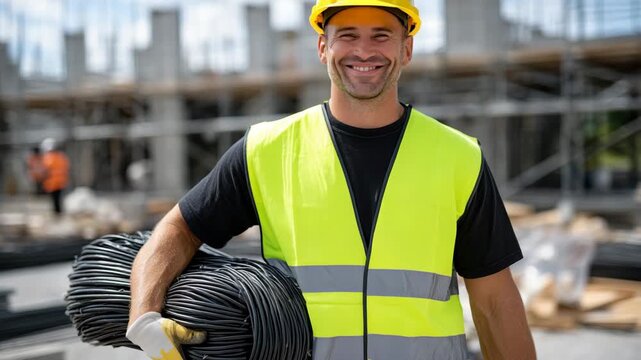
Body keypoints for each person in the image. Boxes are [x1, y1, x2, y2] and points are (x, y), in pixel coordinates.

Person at [126, 1, 536, 359]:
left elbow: (495, 302)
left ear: (406, 48)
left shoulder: (458, 156)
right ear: (323, 47)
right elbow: (178, 229)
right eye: (347, 35)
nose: (363, 50)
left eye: (381, 35)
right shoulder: (266, 150)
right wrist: (144, 316)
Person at [40, 138, 70, 215]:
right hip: (61, 181)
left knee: (55, 200)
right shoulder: (61, 156)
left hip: (52, 183)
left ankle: (57, 214)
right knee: (58, 200)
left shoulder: (48, 157)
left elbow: (45, 169)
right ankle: (59, 213)